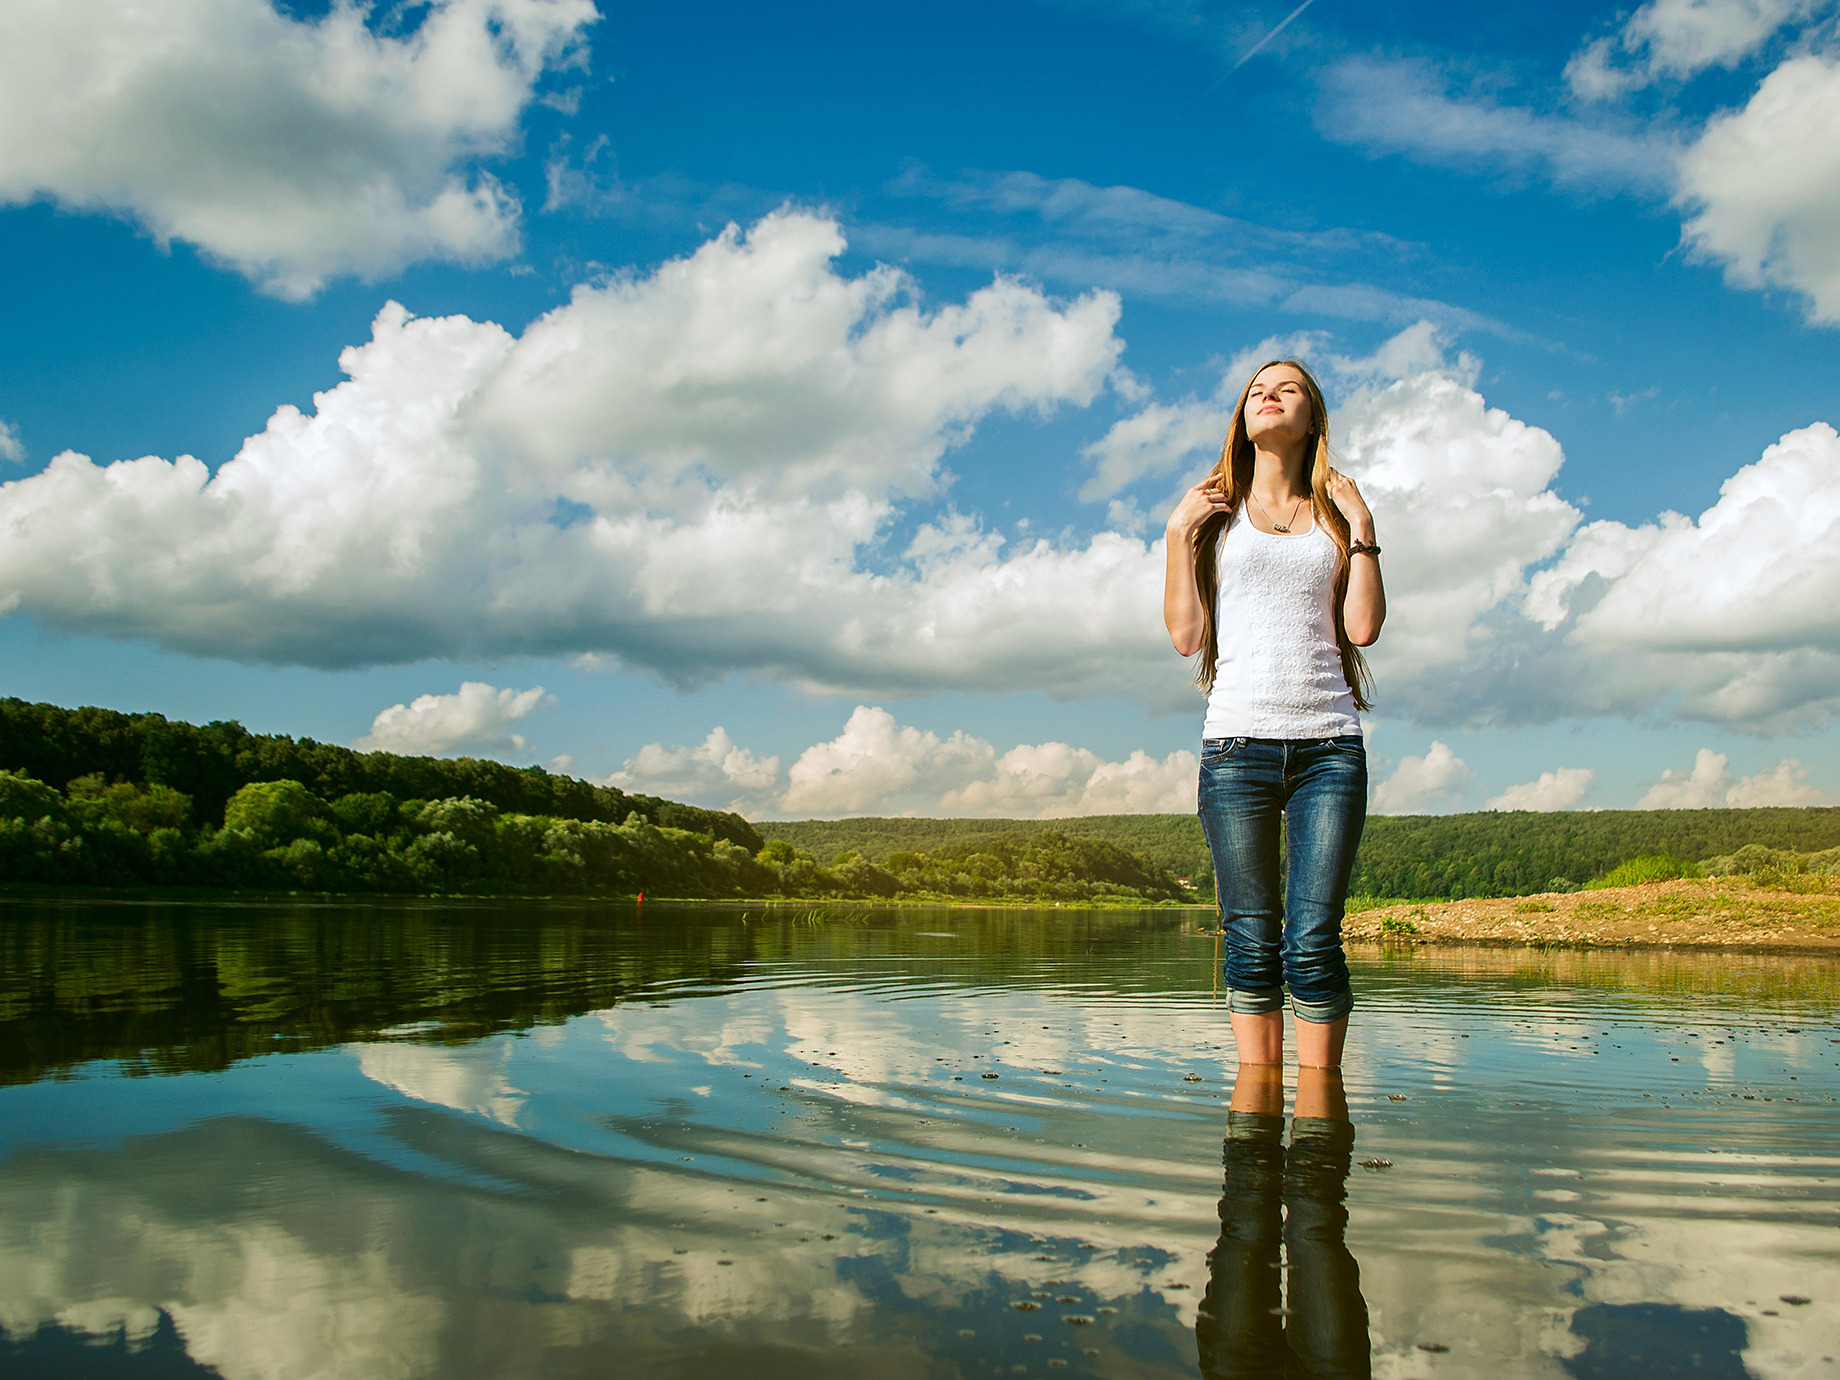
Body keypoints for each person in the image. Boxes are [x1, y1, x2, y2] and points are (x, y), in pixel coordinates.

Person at [1163, 359, 1384, 1071]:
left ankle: (1321, 1116)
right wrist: (1175, 534)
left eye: (1286, 388)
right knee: (1251, 936)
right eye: (1258, 389)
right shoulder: (1213, 520)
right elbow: (1186, 637)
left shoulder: (1334, 516)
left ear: (1311, 417)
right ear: (1243, 417)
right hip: (1235, 748)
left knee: (1315, 937)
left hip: (1329, 750)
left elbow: (1363, 629)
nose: (1269, 395)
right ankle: (1255, 1114)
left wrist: (1363, 526)